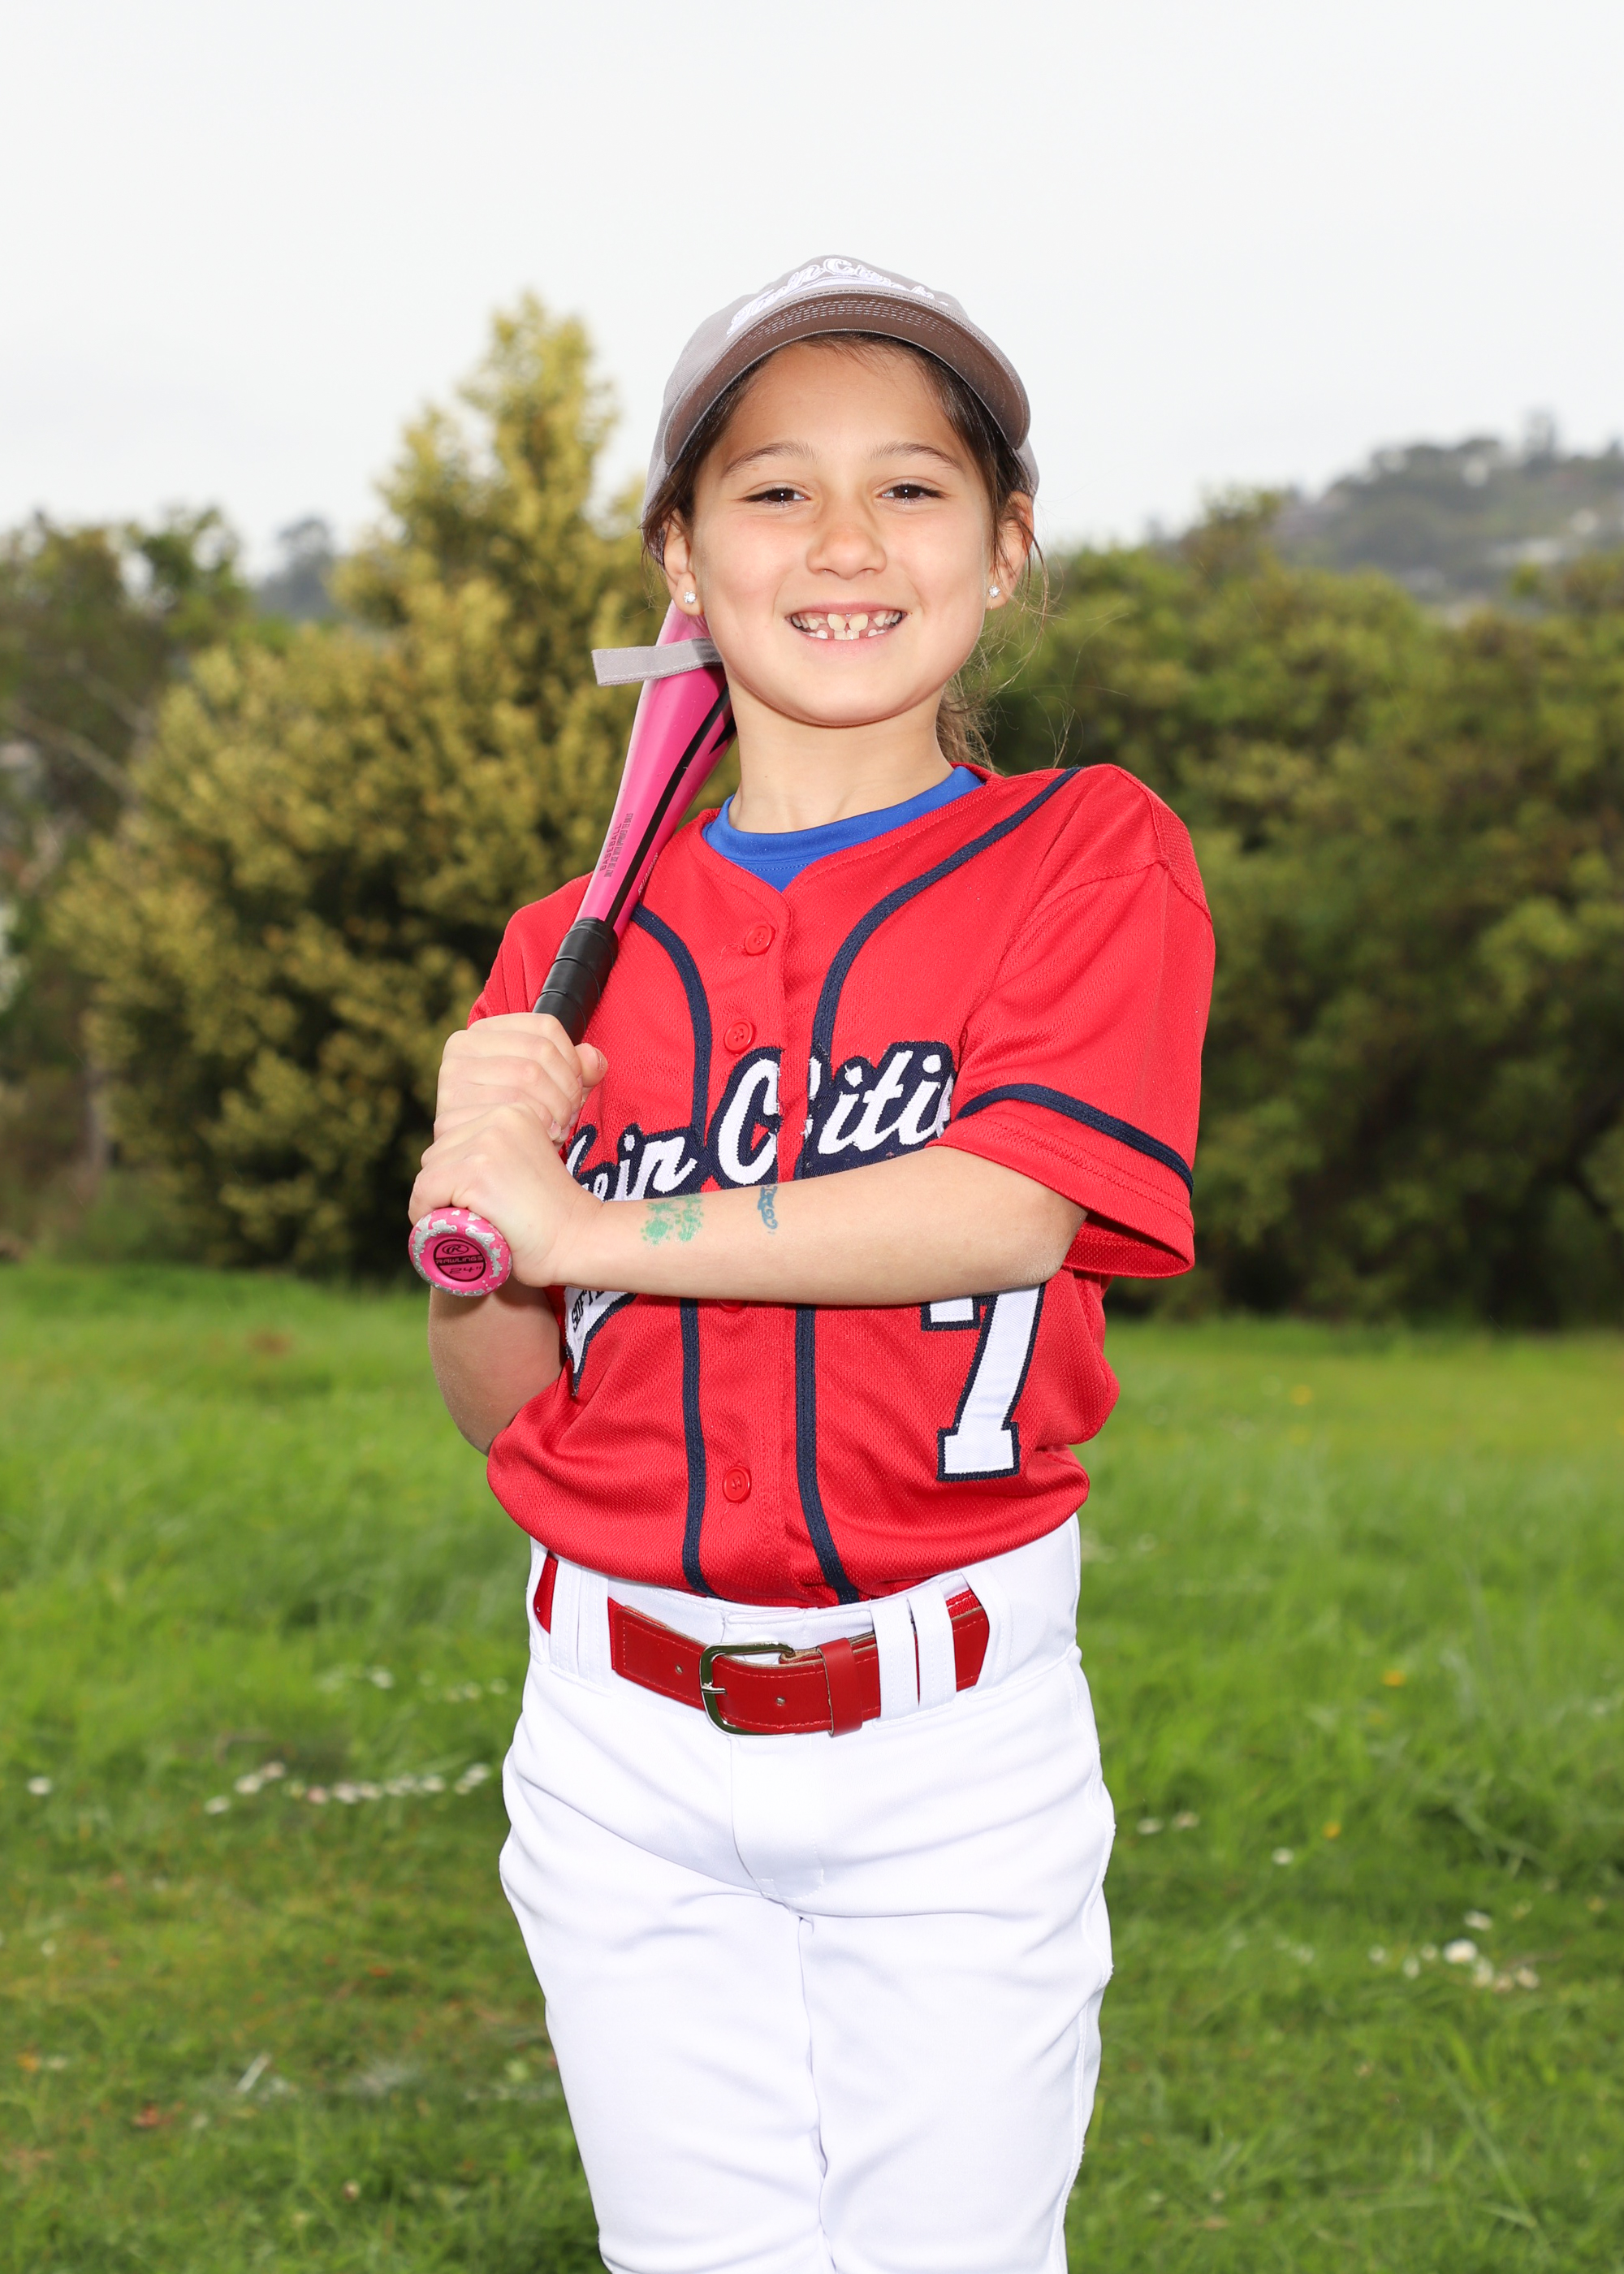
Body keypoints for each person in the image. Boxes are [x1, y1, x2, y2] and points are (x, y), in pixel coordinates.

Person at [412, 254, 1214, 2274]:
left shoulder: (1086, 852)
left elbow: (1008, 1200)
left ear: (1004, 549)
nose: (844, 539)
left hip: (948, 1738)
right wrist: (477, 1228)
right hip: (613, 1737)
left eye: (912, 487)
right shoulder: (563, 951)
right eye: (773, 490)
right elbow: (516, 1413)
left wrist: (587, 1220)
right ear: (682, 558)